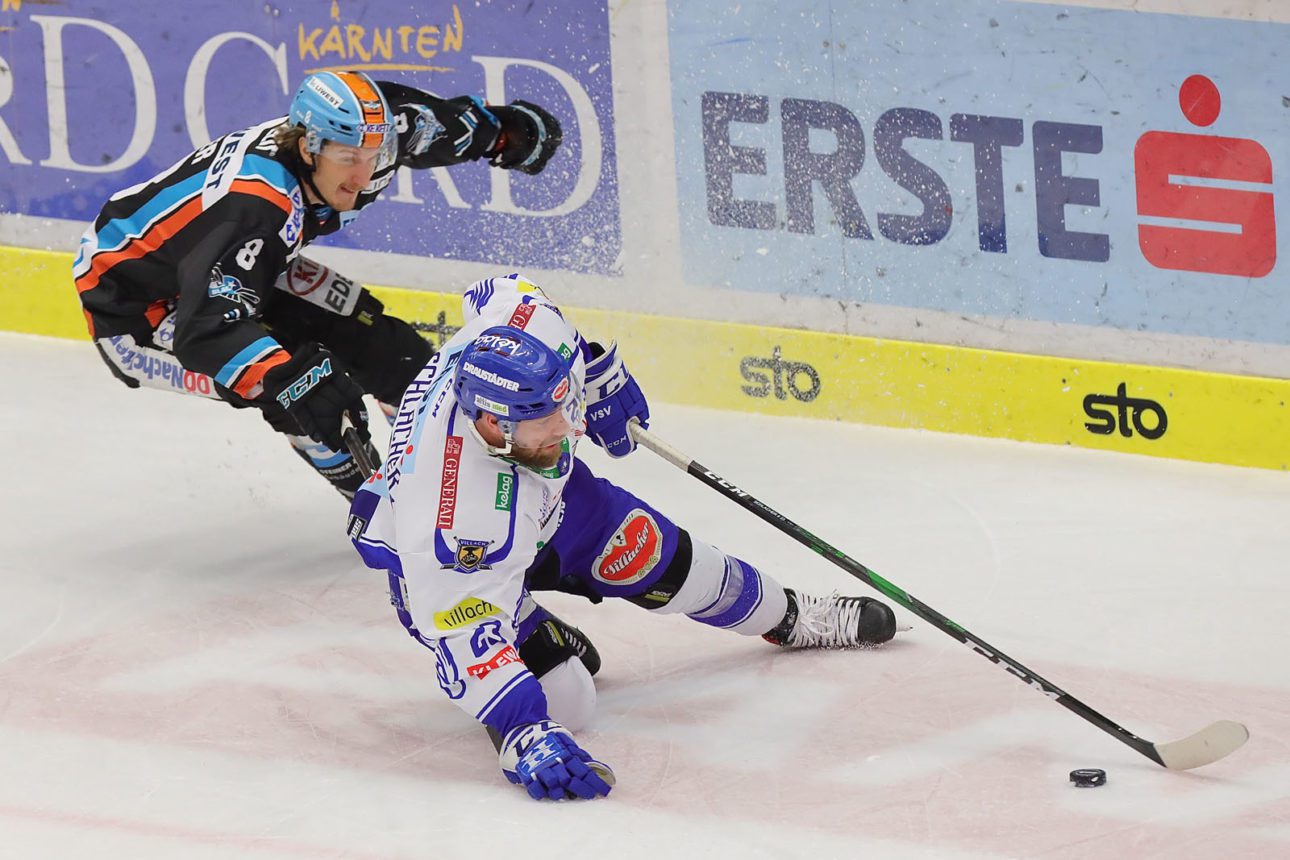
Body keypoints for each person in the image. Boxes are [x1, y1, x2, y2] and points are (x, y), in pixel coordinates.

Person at [347, 272, 899, 801]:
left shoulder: (528, 328)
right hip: (463, 578)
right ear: (493, 423)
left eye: (564, 408)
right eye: (547, 421)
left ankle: (791, 615)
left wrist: (594, 372)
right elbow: (465, 640)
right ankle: (524, 617)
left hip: (556, 505)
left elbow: (499, 290)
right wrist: (524, 735)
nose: (569, 428)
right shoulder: (453, 523)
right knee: (569, 703)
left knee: (676, 565)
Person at [73, 71, 562, 498]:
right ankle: (380, 507)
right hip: (139, 312)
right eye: (348, 158)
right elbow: (203, 329)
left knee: (386, 351)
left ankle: (450, 474)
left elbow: (432, 123)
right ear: (308, 146)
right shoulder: (256, 207)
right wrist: (290, 380)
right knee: (304, 396)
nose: (363, 176)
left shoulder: (377, 133)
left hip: (233, 267)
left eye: (374, 156)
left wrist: (502, 133)